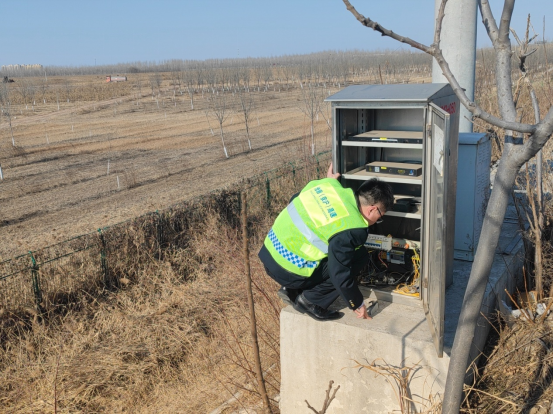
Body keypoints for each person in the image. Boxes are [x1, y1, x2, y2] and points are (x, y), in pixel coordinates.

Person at [258, 163, 394, 321]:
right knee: (360, 256)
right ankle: (310, 301)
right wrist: (356, 302)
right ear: (372, 209)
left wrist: (329, 181)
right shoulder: (353, 228)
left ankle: (291, 289)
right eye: (380, 216)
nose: (378, 220)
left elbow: (294, 199)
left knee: (333, 248)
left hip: (269, 252)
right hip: (289, 271)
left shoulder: (326, 185)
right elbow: (339, 273)